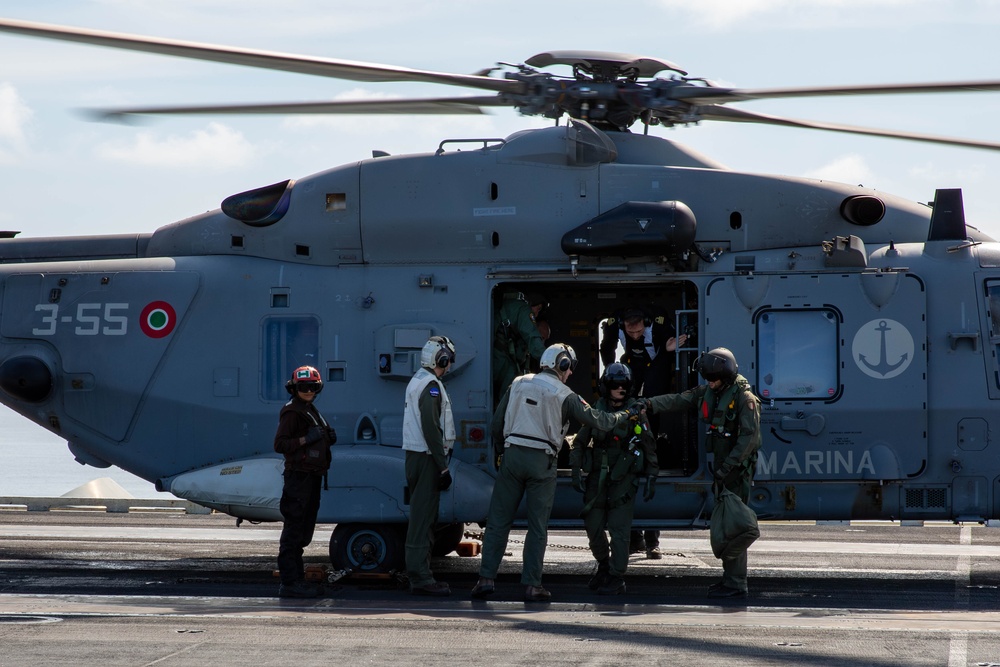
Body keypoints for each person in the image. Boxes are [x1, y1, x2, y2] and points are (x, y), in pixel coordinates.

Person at [472, 343, 642, 602]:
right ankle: (532, 585)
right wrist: (627, 413)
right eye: (570, 368)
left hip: (512, 456)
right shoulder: (565, 394)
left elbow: (497, 425)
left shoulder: (517, 383)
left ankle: (485, 579)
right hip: (542, 461)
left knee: (498, 522)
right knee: (537, 527)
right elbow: (601, 421)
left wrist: (504, 450)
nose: (571, 373)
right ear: (562, 365)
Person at [640, 348, 761, 598]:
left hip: (736, 473)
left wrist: (727, 467)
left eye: (713, 378)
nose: (709, 382)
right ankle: (730, 579)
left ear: (725, 376)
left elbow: (749, 439)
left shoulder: (744, 399)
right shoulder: (710, 392)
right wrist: (649, 403)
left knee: (734, 525)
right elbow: (678, 400)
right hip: (723, 471)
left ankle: (736, 583)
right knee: (726, 525)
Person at [600, 305, 687, 560]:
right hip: (625, 459)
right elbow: (606, 349)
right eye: (630, 331)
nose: (635, 335)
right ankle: (635, 539)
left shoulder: (658, 329)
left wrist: (669, 352)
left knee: (649, 480)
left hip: (644, 452)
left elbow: (657, 367)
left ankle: (651, 540)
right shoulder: (620, 393)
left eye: (639, 330)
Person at [569, 363, 658, 595]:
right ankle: (605, 565)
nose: (619, 389)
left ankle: (617, 577)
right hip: (597, 476)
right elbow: (579, 442)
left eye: (623, 385)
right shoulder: (596, 410)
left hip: (623, 478)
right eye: (614, 385)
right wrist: (576, 469)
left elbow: (648, 443)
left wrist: (652, 475)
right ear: (606, 387)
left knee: (620, 530)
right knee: (593, 525)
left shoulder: (636, 411)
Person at [273, 365, 336, 598]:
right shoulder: (292, 412)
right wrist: (305, 439)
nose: (309, 390)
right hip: (298, 478)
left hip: (311, 476)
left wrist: (326, 438)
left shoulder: (309, 409)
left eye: (313, 386)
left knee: (303, 530)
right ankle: (289, 583)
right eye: (304, 387)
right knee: (294, 528)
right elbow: (280, 445)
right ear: (294, 388)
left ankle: (296, 579)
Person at [402, 335, 458, 596]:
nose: (449, 366)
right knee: (423, 520)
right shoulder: (431, 386)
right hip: (426, 458)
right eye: (448, 360)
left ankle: (421, 574)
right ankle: (420, 577)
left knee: (423, 517)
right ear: (441, 359)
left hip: (420, 457)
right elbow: (431, 429)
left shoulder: (419, 380)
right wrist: (442, 466)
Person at [493, 292, 547, 397]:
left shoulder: (512, 306)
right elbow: (532, 337)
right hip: (500, 359)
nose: (536, 314)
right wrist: (549, 360)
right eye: (538, 309)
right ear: (532, 303)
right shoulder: (524, 310)